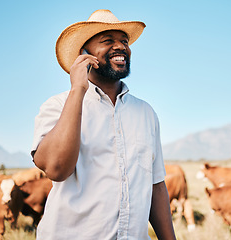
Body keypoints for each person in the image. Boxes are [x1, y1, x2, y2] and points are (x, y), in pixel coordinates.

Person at [31, 9, 176, 240]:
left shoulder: (146, 113)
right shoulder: (57, 106)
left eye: (124, 41)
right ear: (84, 54)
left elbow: (156, 186)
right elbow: (56, 169)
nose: (120, 47)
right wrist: (78, 89)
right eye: (108, 41)